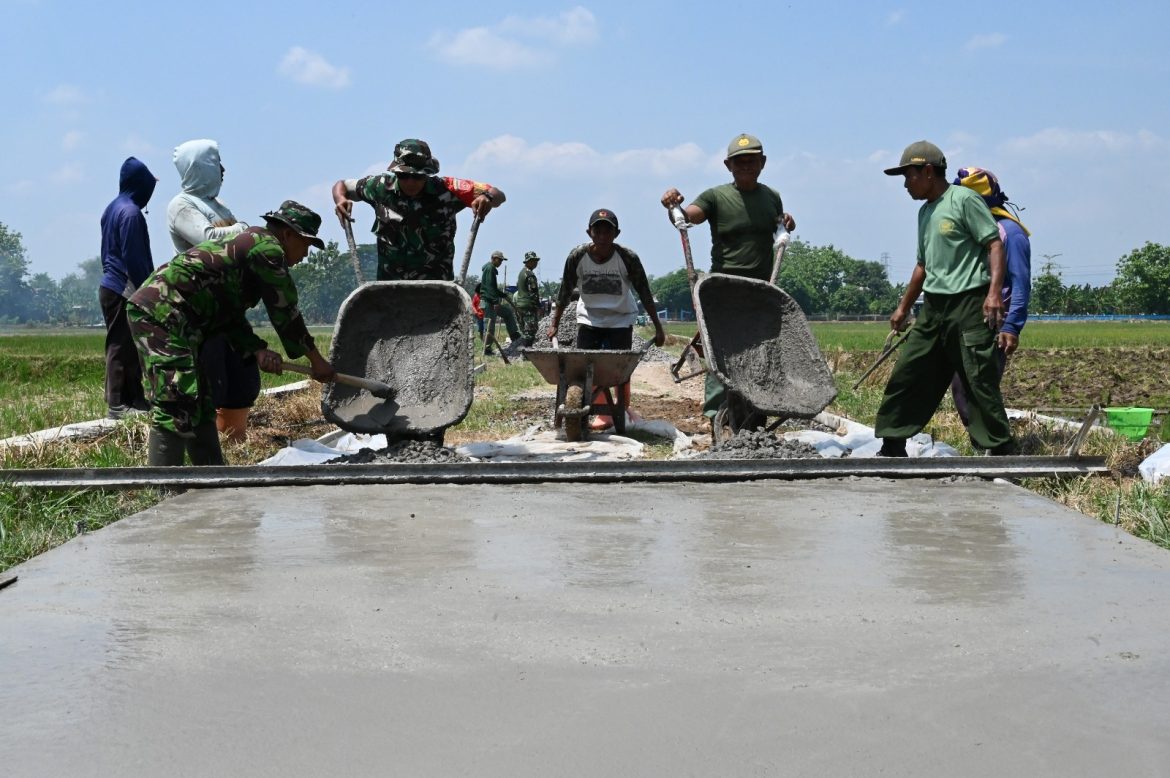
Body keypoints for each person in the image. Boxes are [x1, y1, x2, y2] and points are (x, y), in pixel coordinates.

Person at [128, 201, 336, 466]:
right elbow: (285, 311)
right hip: (161, 313)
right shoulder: (268, 250)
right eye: (306, 244)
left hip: (182, 318)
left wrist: (256, 348)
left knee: (201, 401)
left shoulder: (250, 247)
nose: (305, 254)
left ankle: (213, 477)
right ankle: (164, 490)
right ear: (288, 235)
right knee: (176, 400)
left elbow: (229, 316)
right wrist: (316, 361)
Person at [875, 141, 1015, 456]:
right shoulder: (925, 212)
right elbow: (923, 265)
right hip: (934, 307)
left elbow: (994, 244)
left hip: (968, 303)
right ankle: (892, 444)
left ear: (928, 171)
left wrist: (993, 294)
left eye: (908, 176)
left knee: (977, 377)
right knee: (910, 371)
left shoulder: (963, 200)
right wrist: (903, 308)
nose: (906, 184)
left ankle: (1002, 450)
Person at [660, 132, 796, 425]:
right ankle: (718, 417)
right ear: (728, 165)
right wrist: (673, 205)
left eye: (752, 160)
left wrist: (785, 223)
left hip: (761, 292)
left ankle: (756, 416)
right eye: (739, 162)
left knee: (760, 356)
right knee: (721, 356)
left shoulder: (771, 197)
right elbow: (687, 218)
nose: (746, 166)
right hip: (723, 291)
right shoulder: (716, 197)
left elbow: (776, 225)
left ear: (763, 163)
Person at [167, 139, 259, 442]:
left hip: (228, 308)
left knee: (242, 380)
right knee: (212, 380)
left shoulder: (218, 206)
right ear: (200, 167)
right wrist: (244, 229)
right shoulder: (182, 205)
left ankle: (236, 440)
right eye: (216, 164)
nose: (223, 170)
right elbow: (206, 238)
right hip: (202, 311)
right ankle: (214, 446)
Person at [332, 138, 505, 281]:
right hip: (389, 289)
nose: (410, 182)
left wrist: (487, 198)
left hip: (437, 288)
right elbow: (342, 185)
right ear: (396, 172)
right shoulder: (379, 187)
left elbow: (497, 194)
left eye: (417, 176)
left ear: (427, 173)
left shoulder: (448, 189)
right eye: (403, 176)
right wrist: (340, 199)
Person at [949, 167, 1032, 426]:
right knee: (962, 385)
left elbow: (1020, 283)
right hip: (965, 319)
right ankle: (986, 441)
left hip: (994, 322)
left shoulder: (1010, 233)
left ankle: (995, 443)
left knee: (978, 386)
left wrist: (1012, 326)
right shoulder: (968, 232)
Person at [98, 156, 156, 419]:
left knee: (131, 346)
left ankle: (135, 399)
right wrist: (150, 289)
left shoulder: (112, 208)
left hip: (112, 283)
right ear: (140, 184)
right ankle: (118, 403)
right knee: (121, 345)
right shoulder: (131, 213)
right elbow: (135, 258)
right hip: (124, 286)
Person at [480, 250, 520, 354]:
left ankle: (514, 335)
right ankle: (487, 349)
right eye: (500, 260)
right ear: (494, 258)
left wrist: (504, 295)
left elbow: (493, 288)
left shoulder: (490, 269)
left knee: (507, 313)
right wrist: (495, 302)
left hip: (490, 300)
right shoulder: (490, 268)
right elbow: (489, 288)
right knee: (490, 324)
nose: (501, 263)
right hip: (488, 302)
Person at [514, 251, 542, 346]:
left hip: (520, 304)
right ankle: (527, 351)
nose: (536, 263)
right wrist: (538, 306)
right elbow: (533, 292)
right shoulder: (529, 274)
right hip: (528, 305)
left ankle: (524, 349)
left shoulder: (521, 273)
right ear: (528, 261)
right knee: (530, 329)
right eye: (534, 261)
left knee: (524, 328)